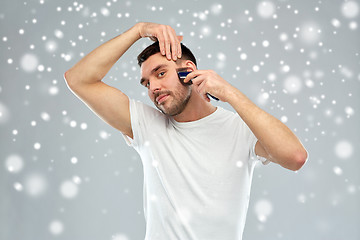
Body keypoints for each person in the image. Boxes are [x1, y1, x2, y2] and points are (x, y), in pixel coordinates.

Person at [64, 22, 308, 240]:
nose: (154, 88)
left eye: (161, 73)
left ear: (188, 71)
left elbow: (295, 157)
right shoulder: (147, 125)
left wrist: (230, 93)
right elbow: (78, 80)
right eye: (147, 83)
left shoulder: (239, 129)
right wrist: (138, 31)